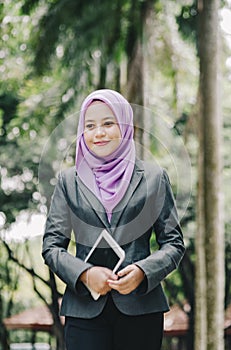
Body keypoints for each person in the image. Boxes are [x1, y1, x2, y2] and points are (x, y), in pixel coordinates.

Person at [42, 89, 185, 350]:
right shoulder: (68, 181)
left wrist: (143, 271)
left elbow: (174, 244)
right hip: (84, 310)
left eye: (108, 123)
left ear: (125, 126)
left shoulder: (153, 177)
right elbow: (52, 246)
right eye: (90, 125)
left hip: (141, 308)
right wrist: (85, 274)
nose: (99, 133)